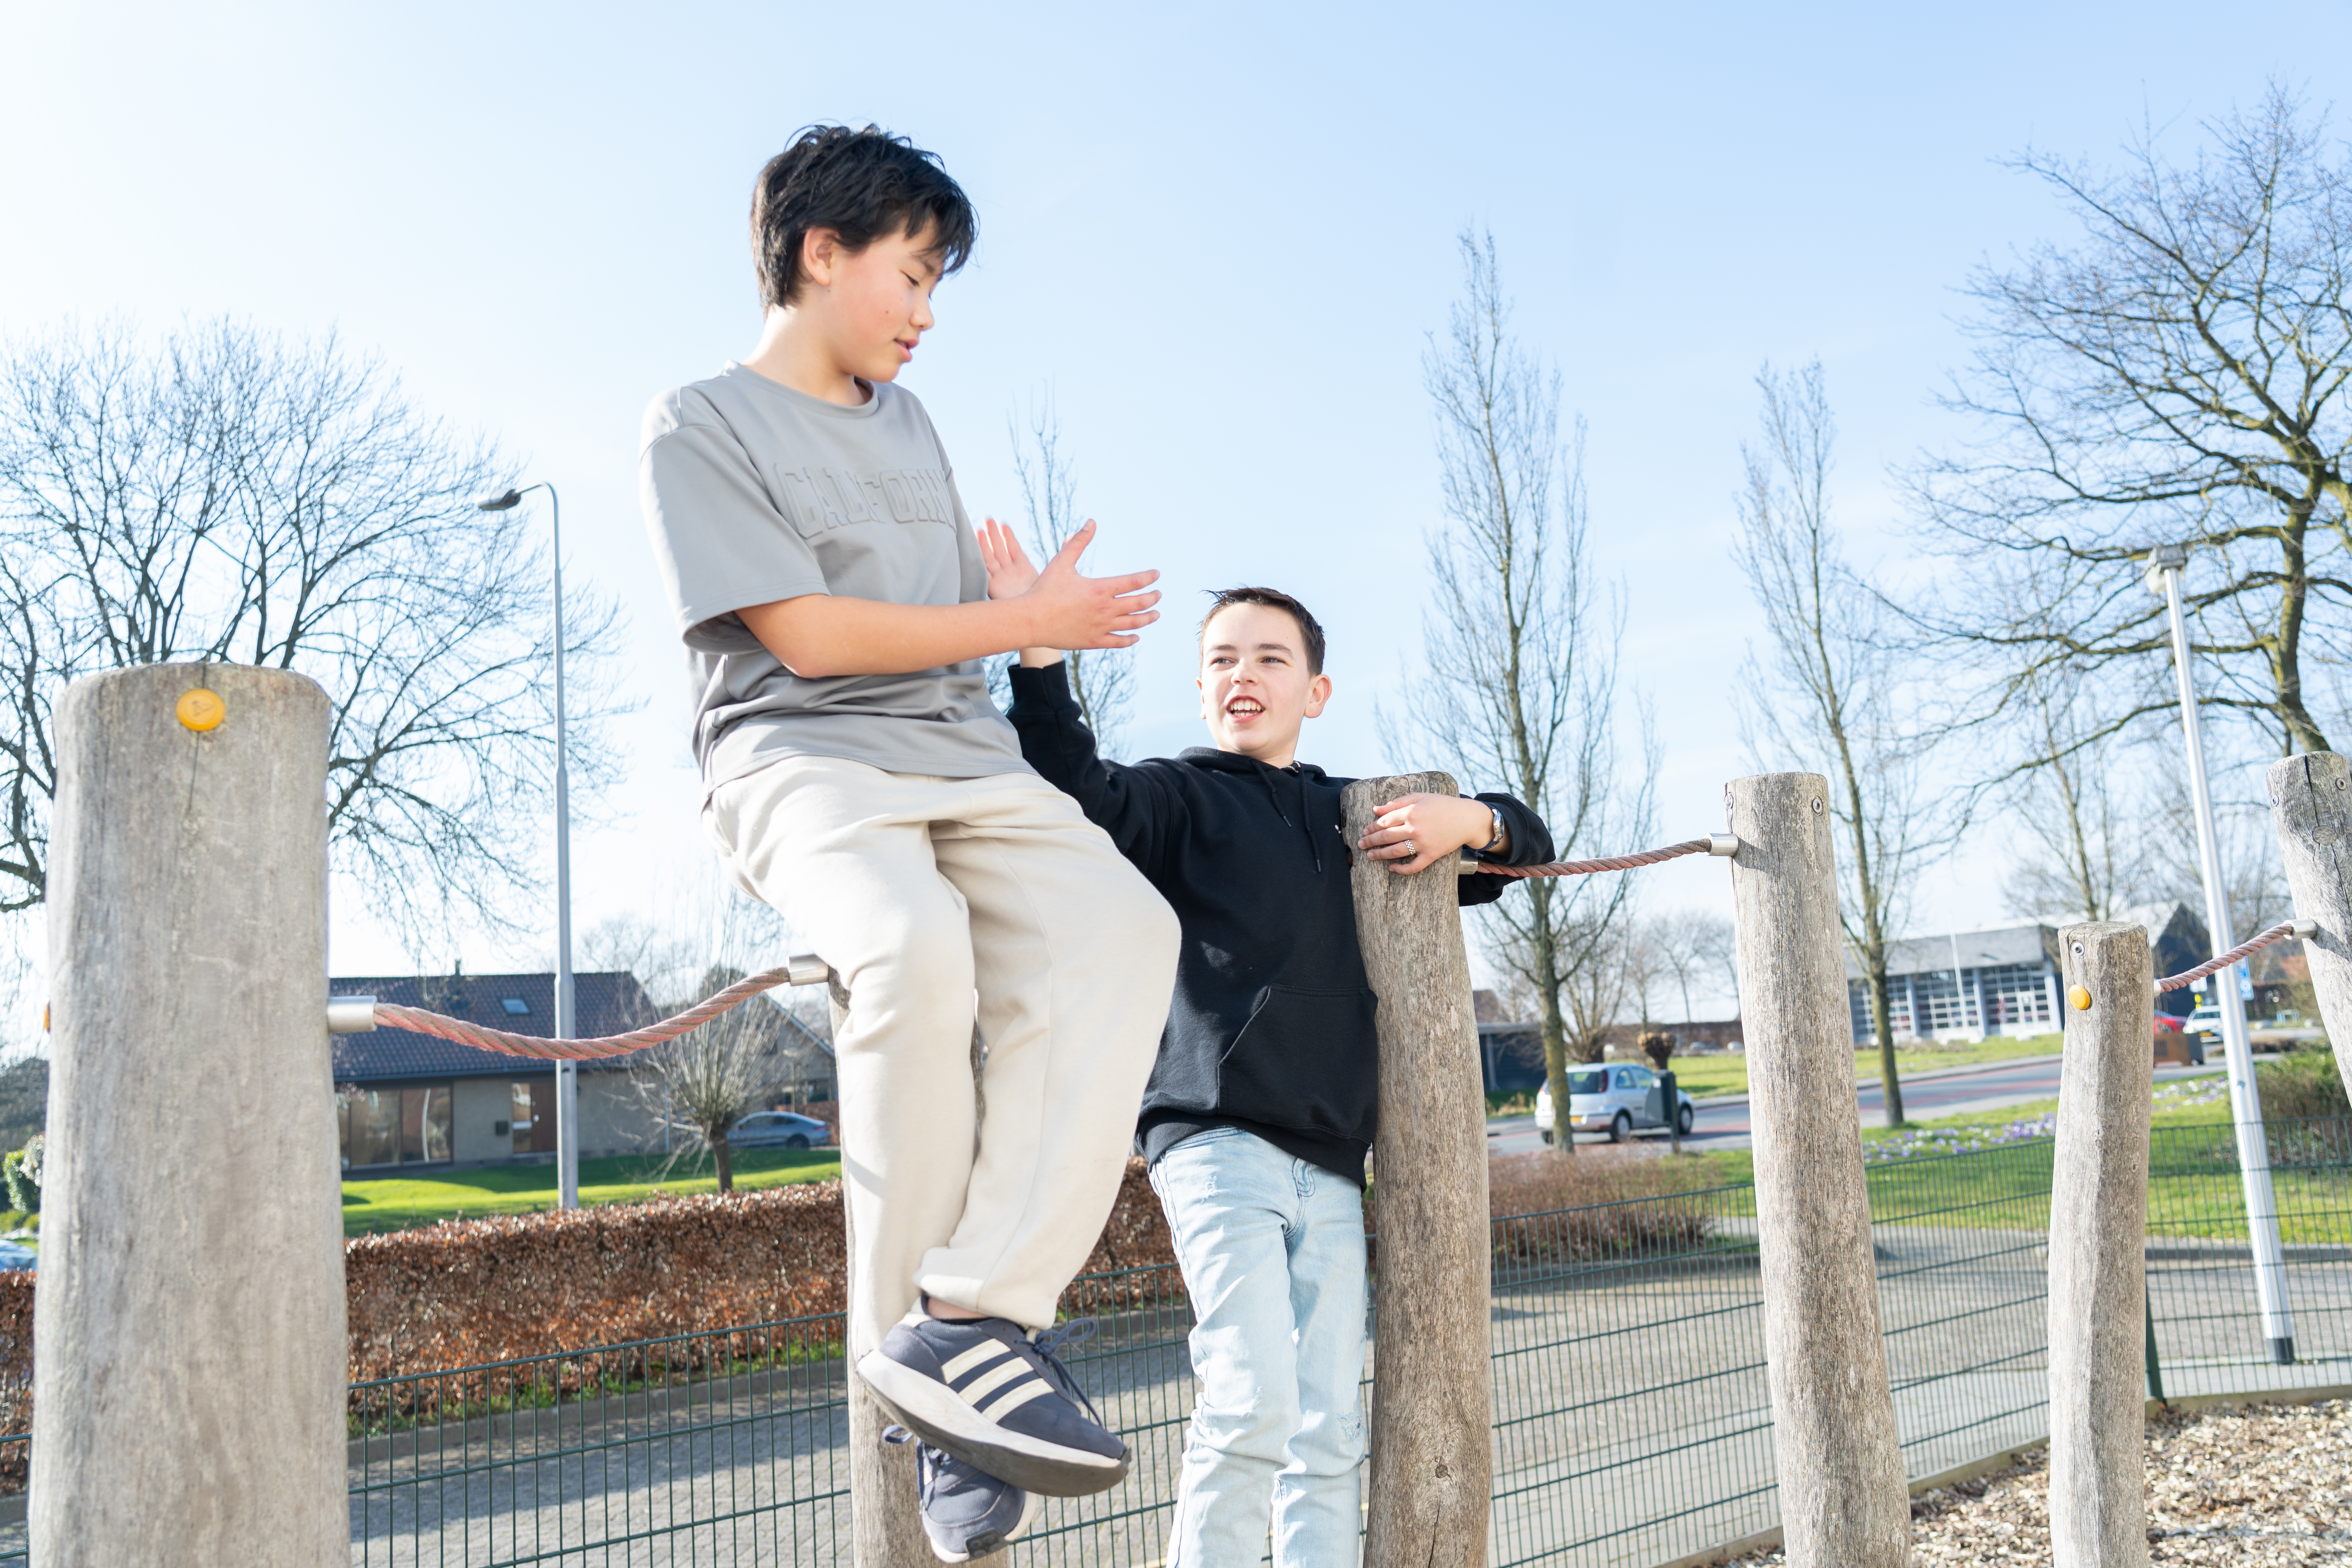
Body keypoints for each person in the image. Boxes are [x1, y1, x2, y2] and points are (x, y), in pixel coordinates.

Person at [637, 125, 1182, 1563]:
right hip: (800, 756)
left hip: (958, 753)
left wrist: (1018, 640)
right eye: (914, 273)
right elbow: (807, 641)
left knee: (1128, 931)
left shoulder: (909, 425)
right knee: (911, 953)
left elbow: (948, 641)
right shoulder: (699, 422)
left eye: (939, 283)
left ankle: (971, 1324)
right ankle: (919, 1408)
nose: (928, 311)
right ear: (823, 253)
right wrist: (1025, 624)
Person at [984, 548, 1555, 1568]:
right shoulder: (1180, 802)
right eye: (1221, 660)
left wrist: (1463, 820)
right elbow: (1074, 787)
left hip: (1334, 1162)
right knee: (1251, 1395)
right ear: (1200, 688)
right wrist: (1037, 648)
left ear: (1316, 689)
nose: (1243, 674)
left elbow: (1531, 845)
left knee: (1327, 1425)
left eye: (1271, 657)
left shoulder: (1363, 822)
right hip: (1216, 1141)